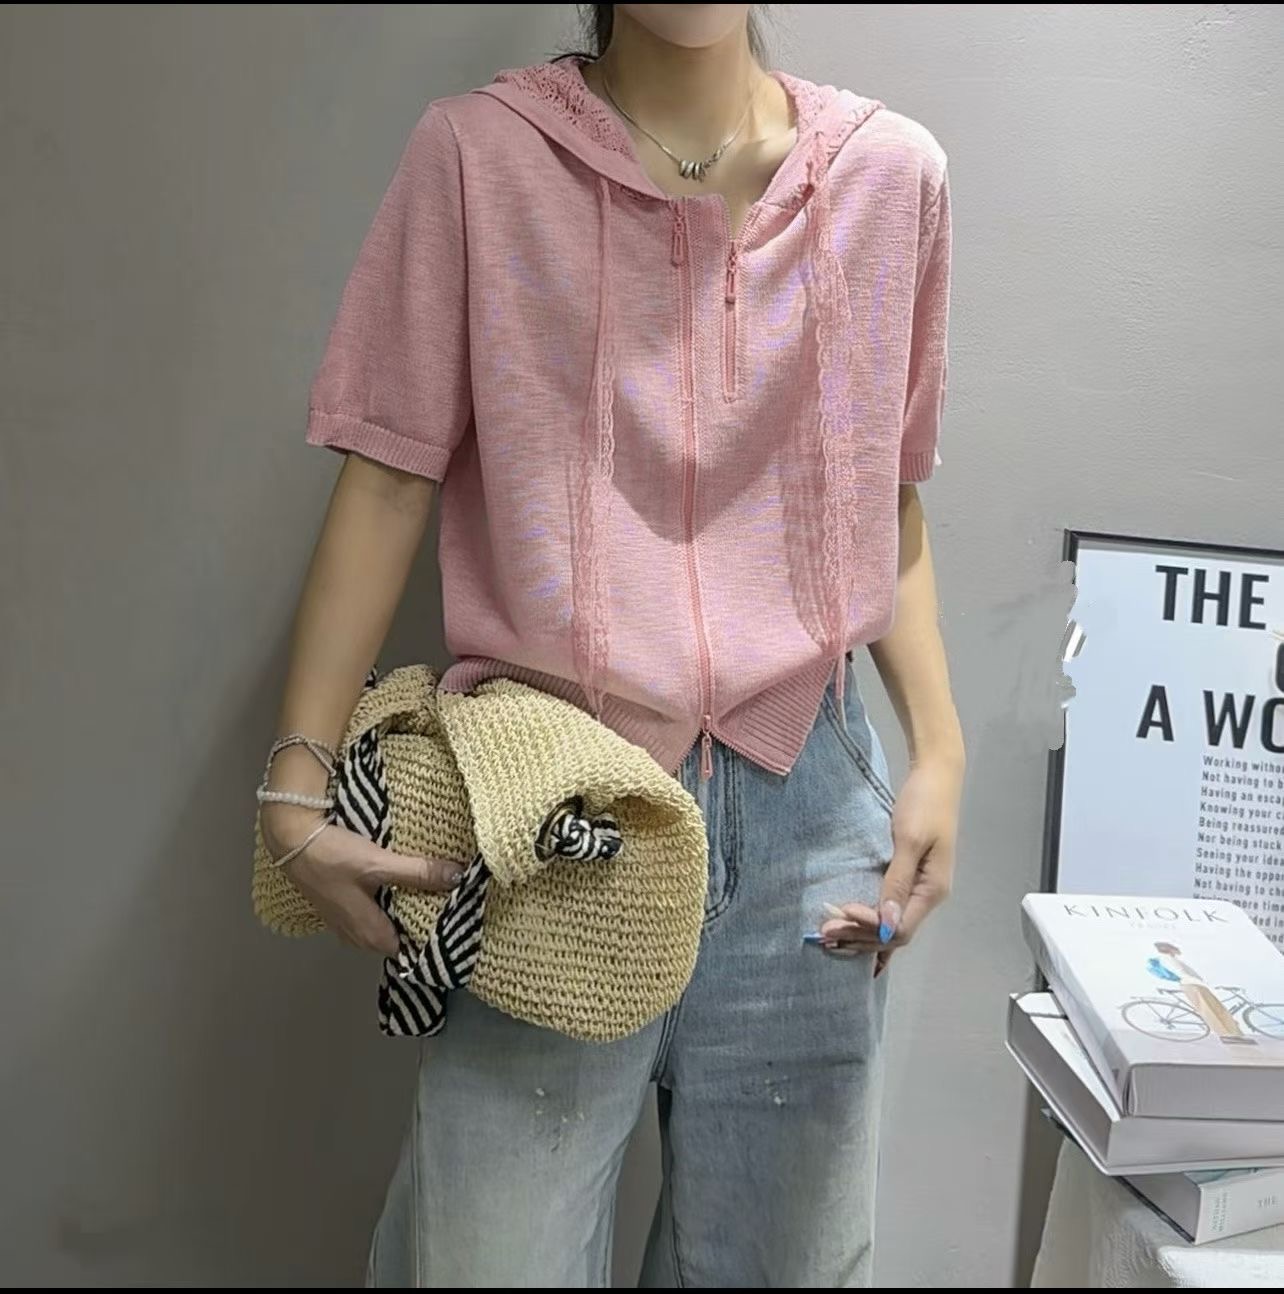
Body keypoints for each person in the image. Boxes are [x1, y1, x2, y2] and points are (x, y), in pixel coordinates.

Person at [259, 4, 964, 1286]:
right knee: (486, 1260)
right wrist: (293, 782)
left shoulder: (890, 176)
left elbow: (889, 498)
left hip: (813, 814)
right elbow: (389, 474)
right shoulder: (478, 156)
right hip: (557, 816)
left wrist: (942, 755)